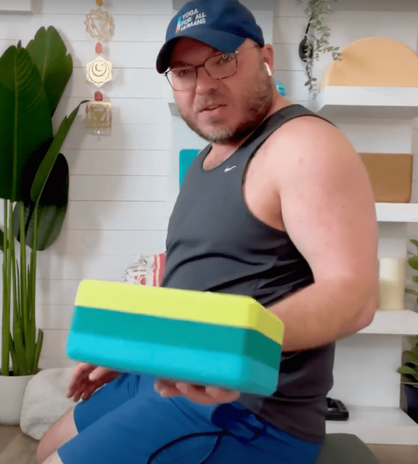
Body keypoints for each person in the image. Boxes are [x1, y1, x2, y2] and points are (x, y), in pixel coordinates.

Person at [36, 0, 379, 462]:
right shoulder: (208, 158)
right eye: (184, 72)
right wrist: (139, 350)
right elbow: (203, 282)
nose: (204, 87)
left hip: (243, 411)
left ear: (266, 59)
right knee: (48, 447)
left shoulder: (303, 145)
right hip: (174, 373)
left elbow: (354, 295)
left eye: (222, 61)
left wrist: (208, 345)